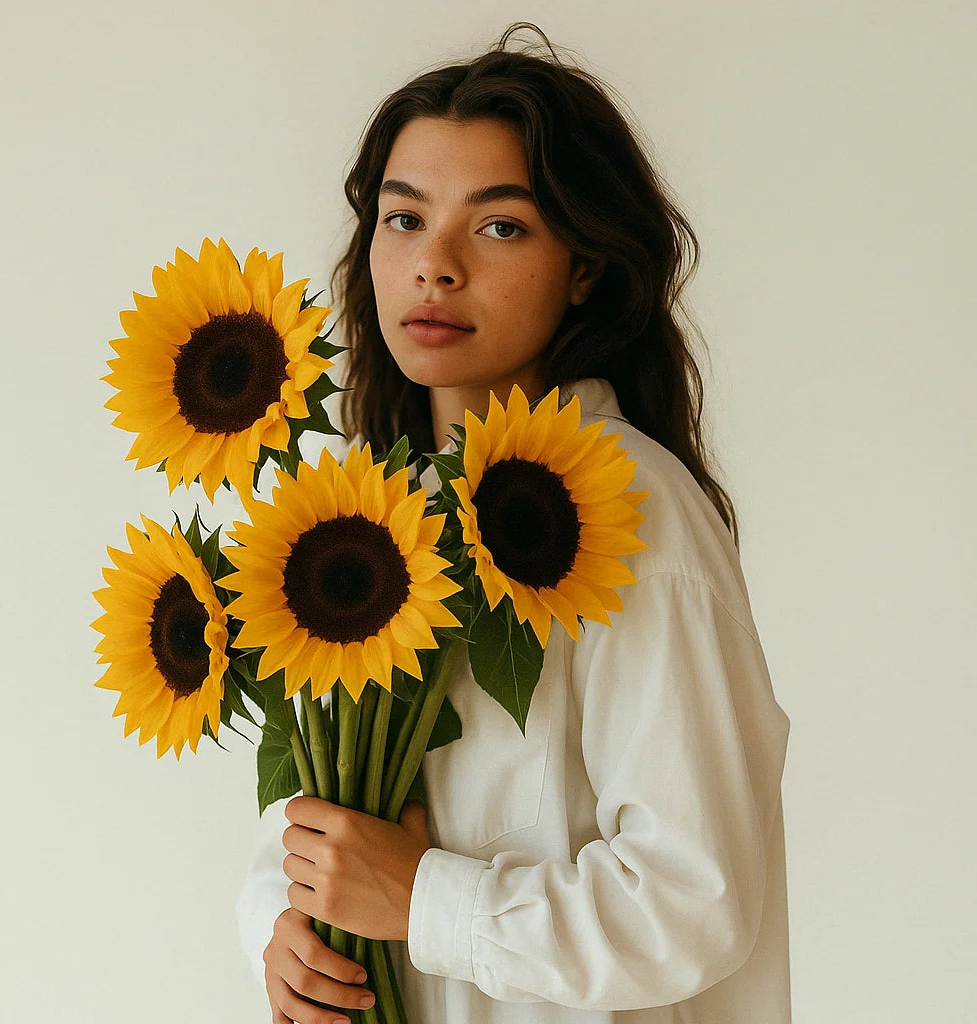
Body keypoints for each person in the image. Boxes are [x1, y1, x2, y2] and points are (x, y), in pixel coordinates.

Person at [236, 21, 792, 1024]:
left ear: (584, 266)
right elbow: (319, 825)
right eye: (404, 219)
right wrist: (276, 924)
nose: (434, 265)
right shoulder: (362, 521)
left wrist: (424, 901)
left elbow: (692, 901)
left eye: (498, 226)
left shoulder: (626, 510)